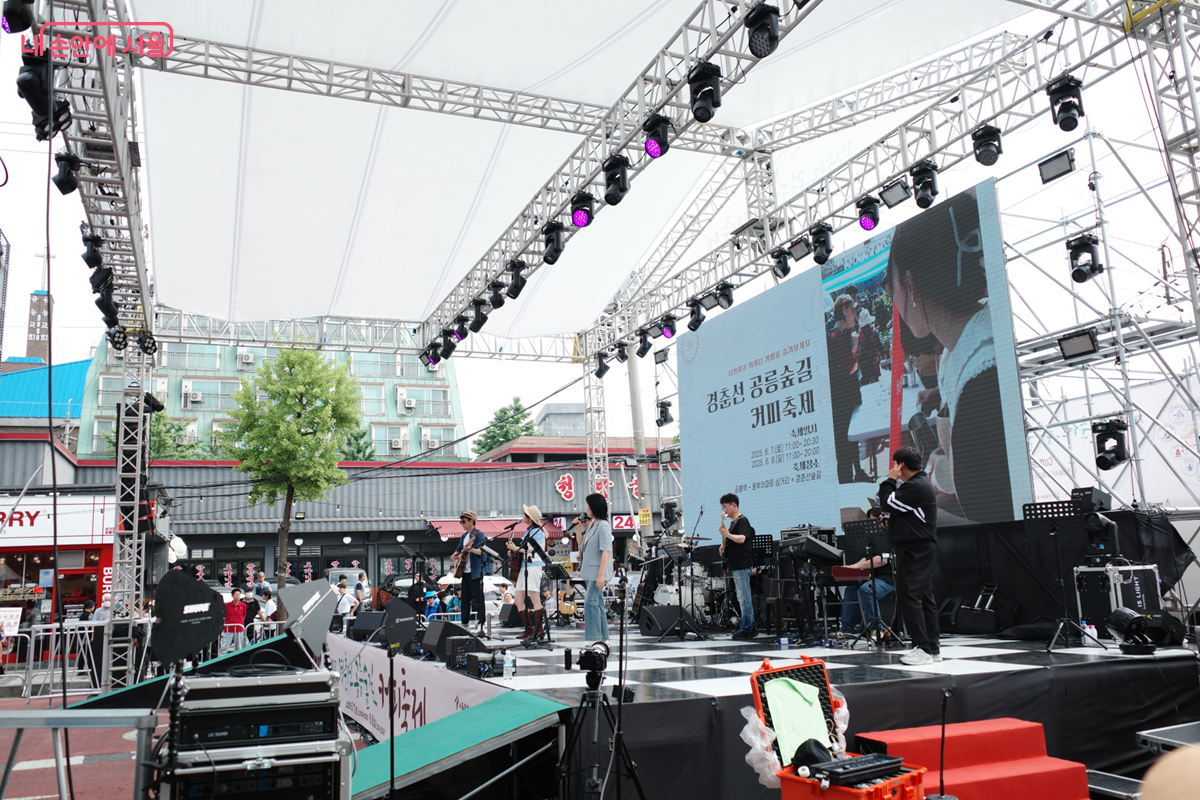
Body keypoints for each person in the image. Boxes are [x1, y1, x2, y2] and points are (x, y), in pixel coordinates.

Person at [887, 188, 1009, 523]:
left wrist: (911, 512)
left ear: (910, 285)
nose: (895, 302)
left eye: (891, 287)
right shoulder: (967, 354)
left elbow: (994, 528)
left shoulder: (982, 376)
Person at [879, 446, 941, 665]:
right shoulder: (917, 484)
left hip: (915, 548)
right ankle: (932, 648)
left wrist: (889, 480)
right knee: (923, 598)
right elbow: (905, 512)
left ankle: (923, 648)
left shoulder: (916, 485)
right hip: (918, 546)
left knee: (910, 596)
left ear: (901, 465)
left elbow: (887, 502)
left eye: (895, 464)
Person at [827, 294, 871, 484]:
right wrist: (854, 344)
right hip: (841, 402)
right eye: (852, 310)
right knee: (844, 446)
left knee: (851, 442)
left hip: (847, 398)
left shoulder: (841, 334)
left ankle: (858, 472)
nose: (854, 314)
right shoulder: (835, 336)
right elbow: (850, 366)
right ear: (844, 310)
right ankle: (846, 485)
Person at [574, 493, 613, 644]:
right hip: (590, 572)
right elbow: (582, 543)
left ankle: (594, 638)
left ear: (594, 507)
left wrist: (601, 575)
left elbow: (606, 551)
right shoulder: (592, 524)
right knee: (597, 603)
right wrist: (577, 528)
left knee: (590, 602)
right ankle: (603, 638)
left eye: (588, 506)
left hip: (598, 573)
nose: (586, 508)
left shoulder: (603, 526)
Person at [718, 493, 757, 639]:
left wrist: (727, 534)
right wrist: (724, 545)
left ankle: (747, 628)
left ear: (733, 505)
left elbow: (741, 539)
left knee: (744, 598)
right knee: (742, 597)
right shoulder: (734, 522)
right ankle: (749, 626)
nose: (724, 510)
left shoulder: (742, 521)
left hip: (742, 564)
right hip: (736, 564)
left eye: (725, 507)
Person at [508, 504, 548, 641]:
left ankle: (539, 629)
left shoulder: (537, 532)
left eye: (525, 514)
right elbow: (524, 550)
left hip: (533, 566)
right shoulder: (529, 531)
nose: (522, 516)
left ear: (530, 518)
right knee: (518, 600)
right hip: (525, 566)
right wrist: (514, 550)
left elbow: (530, 550)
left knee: (534, 598)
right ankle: (529, 629)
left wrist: (515, 548)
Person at [453, 511, 487, 632]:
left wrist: (470, 549)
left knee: (478, 599)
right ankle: (464, 622)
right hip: (465, 572)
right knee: (465, 599)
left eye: (464, 521)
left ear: (471, 521)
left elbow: (482, 552)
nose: (462, 524)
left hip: (475, 572)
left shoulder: (479, 534)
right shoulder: (464, 536)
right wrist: (455, 555)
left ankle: (481, 623)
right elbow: (458, 550)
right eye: (461, 522)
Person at [222, 588, 248, 653]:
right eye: (236, 594)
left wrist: (239, 622)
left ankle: (238, 656)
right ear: (232, 596)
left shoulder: (243, 605)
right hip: (228, 628)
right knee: (224, 645)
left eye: (239, 594)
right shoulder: (227, 605)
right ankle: (221, 657)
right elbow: (224, 616)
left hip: (239, 627)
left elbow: (243, 616)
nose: (237, 596)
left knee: (239, 646)